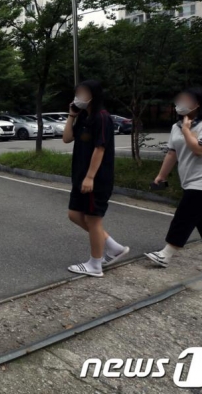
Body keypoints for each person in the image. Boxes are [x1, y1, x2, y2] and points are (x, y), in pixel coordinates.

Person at [145, 88, 202, 267]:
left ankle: (166, 254)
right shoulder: (177, 126)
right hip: (189, 178)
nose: (180, 104)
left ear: (198, 103)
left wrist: (187, 130)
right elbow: (172, 153)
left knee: (185, 215)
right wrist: (161, 175)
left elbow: (200, 150)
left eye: (186, 100)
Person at [62, 80, 130, 278]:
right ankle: (113, 247)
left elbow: (100, 148)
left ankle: (95, 264)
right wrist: (71, 115)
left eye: (83, 93)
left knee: (93, 220)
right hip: (80, 175)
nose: (78, 97)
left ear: (94, 95)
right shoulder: (84, 116)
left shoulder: (102, 117)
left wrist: (90, 177)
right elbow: (67, 138)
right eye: (77, 93)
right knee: (74, 214)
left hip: (96, 179)